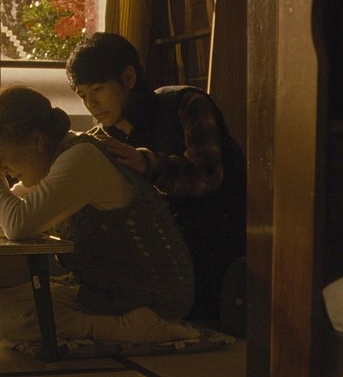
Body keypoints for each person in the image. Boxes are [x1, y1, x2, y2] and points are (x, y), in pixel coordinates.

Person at [0, 84, 199, 349]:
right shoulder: (50, 161)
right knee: (0, 308)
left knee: (18, 319)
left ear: (36, 141)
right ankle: (123, 325)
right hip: (104, 290)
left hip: (152, 295)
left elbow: (17, 225)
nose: (3, 169)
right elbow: (4, 222)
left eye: (1, 157)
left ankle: (134, 328)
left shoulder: (81, 157)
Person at [65, 32, 246, 323]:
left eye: (97, 89)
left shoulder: (186, 104)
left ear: (128, 78)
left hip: (215, 248)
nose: (91, 104)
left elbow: (207, 176)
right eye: (82, 95)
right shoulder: (106, 133)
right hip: (159, 255)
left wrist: (147, 163)